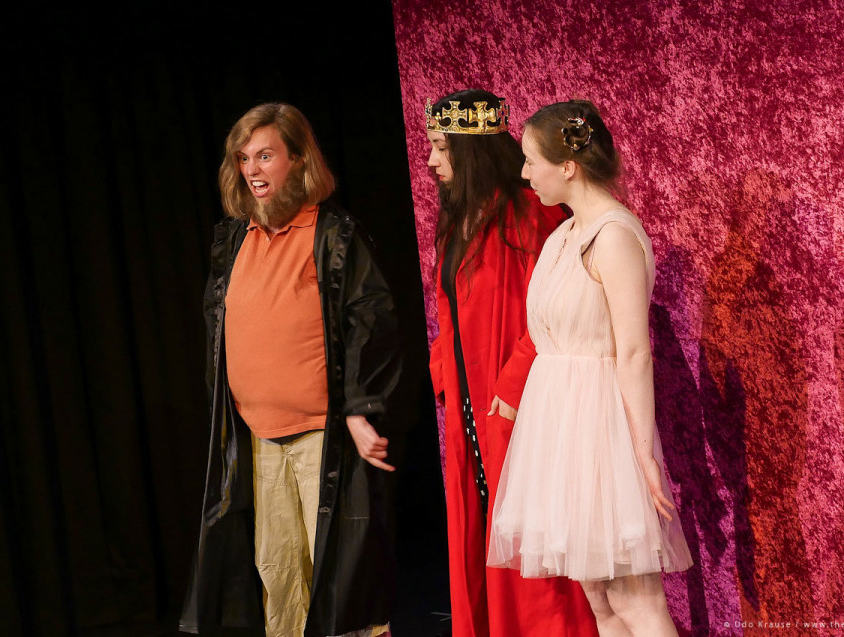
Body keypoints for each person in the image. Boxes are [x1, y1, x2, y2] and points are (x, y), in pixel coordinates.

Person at [180, 102, 401, 637]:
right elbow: (219, 329)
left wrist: (359, 408)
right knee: (277, 573)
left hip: (323, 437)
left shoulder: (333, 234)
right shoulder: (234, 238)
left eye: (265, 156)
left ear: (298, 159)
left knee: (340, 577)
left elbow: (371, 320)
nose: (252, 170)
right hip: (257, 437)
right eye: (243, 159)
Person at [487, 100, 693, 637]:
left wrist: (643, 453)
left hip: (601, 431)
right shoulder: (562, 235)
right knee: (601, 604)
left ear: (568, 166)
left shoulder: (614, 235)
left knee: (636, 603)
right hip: (562, 430)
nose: (524, 173)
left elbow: (634, 352)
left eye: (531, 161)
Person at [426, 89, 598, 637]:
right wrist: (443, 378)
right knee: (484, 529)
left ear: (471, 151)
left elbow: (553, 312)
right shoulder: (458, 222)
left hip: (521, 405)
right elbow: (449, 314)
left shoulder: (532, 217)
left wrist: (512, 385)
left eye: (441, 148)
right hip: (471, 407)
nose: (431, 161)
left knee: (534, 545)